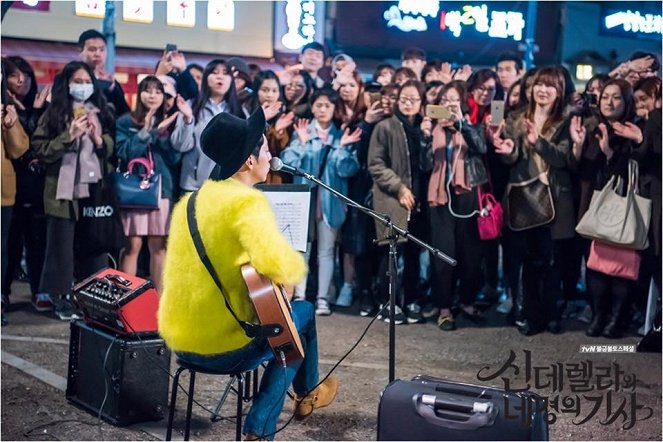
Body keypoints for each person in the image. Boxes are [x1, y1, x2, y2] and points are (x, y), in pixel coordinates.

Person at [158, 107, 338, 440]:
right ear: (249, 161)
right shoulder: (247, 204)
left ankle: (306, 395)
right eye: (265, 148)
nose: (271, 154)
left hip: (181, 344)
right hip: (224, 349)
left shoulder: (190, 203)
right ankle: (265, 422)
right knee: (298, 321)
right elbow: (287, 271)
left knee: (285, 322)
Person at [32, 61, 115, 320]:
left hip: (94, 190)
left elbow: (112, 148)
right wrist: (69, 135)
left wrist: (98, 140)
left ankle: (94, 299)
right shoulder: (54, 113)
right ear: (66, 84)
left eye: (86, 81)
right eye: (76, 81)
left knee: (94, 246)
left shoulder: (102, 111)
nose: (82, 86)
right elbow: (40, 149)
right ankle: (62, 298)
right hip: (61, 191)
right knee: (61, 247)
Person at [495, 67, 575, 336]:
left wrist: (538, 141)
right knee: (526, 261)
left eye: (550, 86)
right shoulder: (515, 118)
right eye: (539, 85)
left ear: (560, 90)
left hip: (555, 198)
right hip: (523, 197)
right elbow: (511, 157)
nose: (543, 90)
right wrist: (509, 151)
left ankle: (551, 314)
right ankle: (529, 315)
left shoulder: (566, 120)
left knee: (552, 261)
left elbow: (563, 158)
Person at [281, 88, 361, 315]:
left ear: (334, 109)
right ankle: (300, 295)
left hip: (330, 202)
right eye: (319, 105)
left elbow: (348, 170)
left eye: (327, 105)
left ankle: (323, 299)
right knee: (301, 249)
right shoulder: (302, 132)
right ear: (312, 107)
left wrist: (342, 148)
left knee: (326, 251)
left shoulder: (341, 136)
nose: (323, 109)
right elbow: (288, 163)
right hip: (304, 200)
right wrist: (303, 144)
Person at [116, 75, 193, 294]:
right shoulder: (126, 121)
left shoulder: (169, 123)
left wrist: (161, 131)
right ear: (140, 94)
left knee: (158, 247)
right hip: (134, 189)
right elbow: (124, 152)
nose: (153, 95)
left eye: (158, 91)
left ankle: (159, 302)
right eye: (148, 90)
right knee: (132, 246)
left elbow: (175, 159)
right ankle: (127, 299)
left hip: (161, 190)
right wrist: (147, 131)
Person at [421, 81, 487, 331]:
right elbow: (426, 165)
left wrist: (464, 124)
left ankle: (467, 301)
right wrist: (426, 138)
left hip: (467, 195)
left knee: (470, 256)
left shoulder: (471, 125)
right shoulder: (433, 129)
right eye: (445, 99)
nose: (449, 103)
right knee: (443, 255)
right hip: (439, 198)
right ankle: (445, 308)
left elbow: (481, 148)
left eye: (454, 99)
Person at [367, 79, 429, 325]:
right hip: (392, 197)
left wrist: (425, 137)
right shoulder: (385, 126)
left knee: (414, 252)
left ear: (422, 103)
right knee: (391, 252)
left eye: (414, 99)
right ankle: (388, 303)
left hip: (420, 200)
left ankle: (412, 300)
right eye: (404, 99)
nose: (409, 104)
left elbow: (429, 165)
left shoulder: (422, 129)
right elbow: (376, 164)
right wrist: (399, 187)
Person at [1, 56, 49, 311]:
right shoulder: (4, 107)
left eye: (27, 74)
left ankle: (39, 290)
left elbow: (36, 142)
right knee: (8, 241)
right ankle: (3, 291)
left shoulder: (39, 105)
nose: (23, 80)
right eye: (14, 75)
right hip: (9, 184)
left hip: (34, 185)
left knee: (36, 240)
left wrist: (38, 111)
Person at [180, 59, 245, 192]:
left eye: (225, 73)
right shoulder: (192, 106)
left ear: (231, 81)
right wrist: (188, 120)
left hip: (227, 186)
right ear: (206, 78)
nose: (220, 76)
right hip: (193, 186)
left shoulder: (239, 111)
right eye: (214, 72)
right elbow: (181, 146)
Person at [1, 68, 30, 325]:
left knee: (2, 249)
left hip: (3, 192)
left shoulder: (6, 108)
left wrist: (9, 125)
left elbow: (20, 148)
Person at [245, 70, 295, 184]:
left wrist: (278, 133)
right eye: (265, 90)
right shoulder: (246, 113)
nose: (269, 95)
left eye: (274, 91)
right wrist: (261, 119)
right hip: (252, 176)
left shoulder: (285, 115)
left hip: (277, 177)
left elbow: (282, 152)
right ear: (257, 91)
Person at [77, 29, 130, 117]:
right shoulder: (67, 78)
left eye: (102, 50)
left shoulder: (112, 84)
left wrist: (111, 88)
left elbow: (124, 114)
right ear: (80, 52)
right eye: (92, 49)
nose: (97, 54)